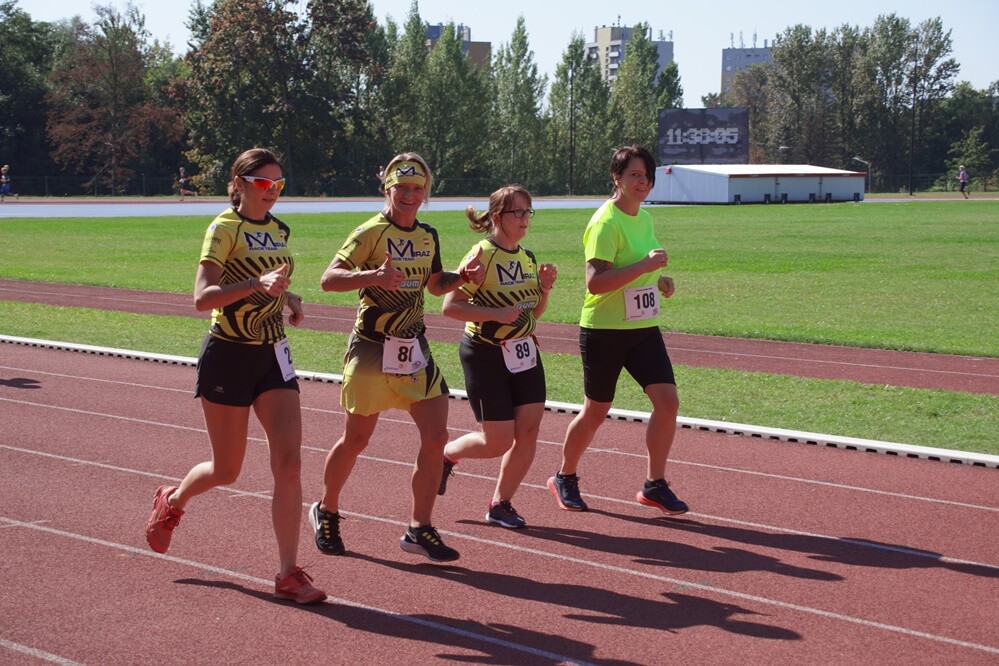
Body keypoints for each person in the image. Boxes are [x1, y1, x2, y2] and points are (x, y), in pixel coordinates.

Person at [145, 148, 326, 605]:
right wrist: (255, 285)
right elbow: (203, 298)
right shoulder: (224, 229)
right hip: (227, 354)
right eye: (264, 184)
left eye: (279, 185)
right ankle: (173, 500)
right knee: (226, 470)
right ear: (241, 183)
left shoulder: (280, 231)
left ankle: (288, 573)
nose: (273, 192)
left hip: (272, 357)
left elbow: (270, 286)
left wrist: (290, 299)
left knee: (290, 464)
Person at [311, 152, 485, 562]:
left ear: (426, 193)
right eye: (401, 187)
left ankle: (419, 528)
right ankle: (326, 509)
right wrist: (371, 276)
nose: (409, 195)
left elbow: (434, 284)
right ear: (387, 189)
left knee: (437, 436)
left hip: (413, 350)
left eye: (417, 188)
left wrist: (463, 277)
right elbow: (328, 279)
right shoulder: (370, 231)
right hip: (372, 348)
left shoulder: (428, 235)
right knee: (357, 439)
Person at [548, 144, 688, 516]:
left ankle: (654, 485)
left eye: (647, 176)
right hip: (604, 330)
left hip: (642, 328)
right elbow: (596, 283)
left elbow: (640, 268)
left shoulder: (643, 218)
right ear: (617, 178)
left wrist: (660, 280)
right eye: (634, 176)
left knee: (668, 401)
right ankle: (565, 476)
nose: (642, 182)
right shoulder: (605, 222)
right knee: (596, 411)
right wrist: (645, 266)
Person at [437, 186, 558, 529]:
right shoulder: (481, 254)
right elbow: (450, 307)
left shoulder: (528, 258)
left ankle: (500, 503)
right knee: (498, 441)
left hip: (525, 352)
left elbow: (534, 311)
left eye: (527, 212)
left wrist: (545, 288)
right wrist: (494, 313)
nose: (523, 219)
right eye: (516, 213)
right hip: (486, 354)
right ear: (496, 218)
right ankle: (447, 455)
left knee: (530, 431)